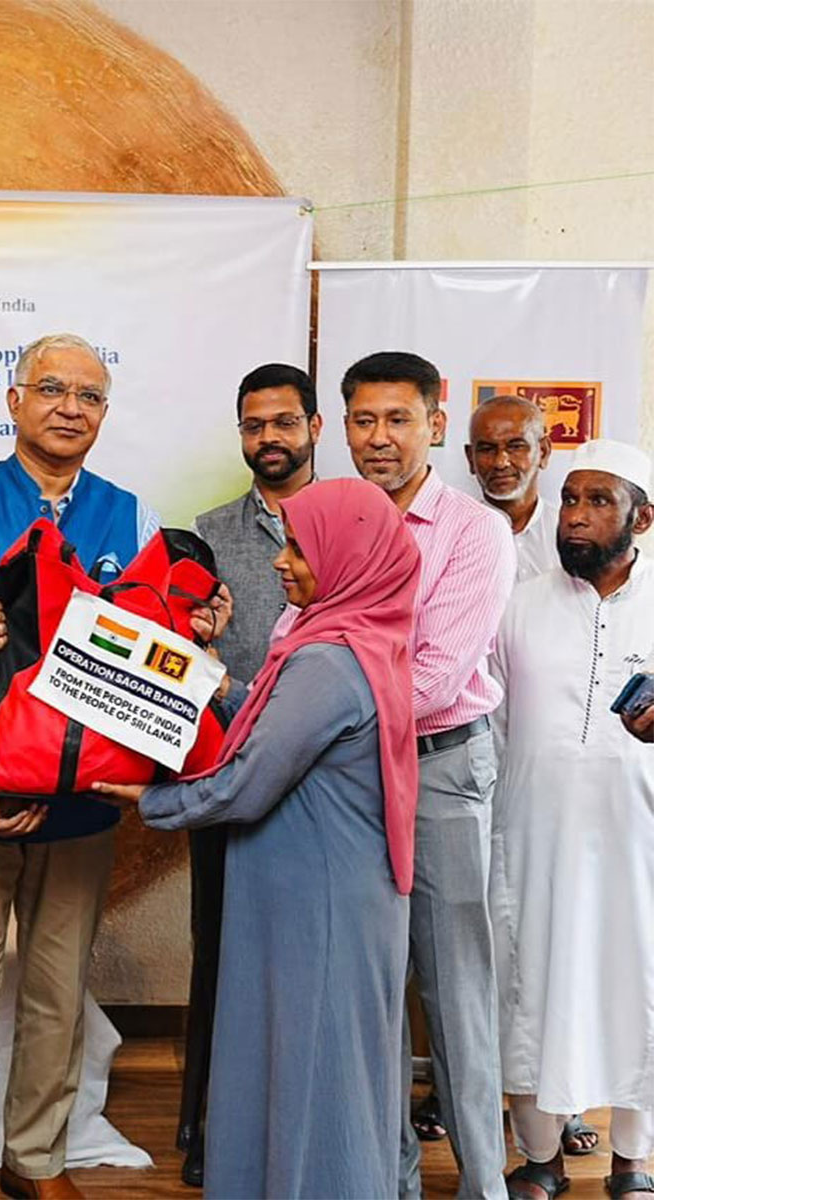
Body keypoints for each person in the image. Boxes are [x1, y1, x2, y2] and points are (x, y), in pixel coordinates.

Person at [96, 477, 421, 1198]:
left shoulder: (325, 662)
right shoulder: (362, 641)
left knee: (313, 1075)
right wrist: (203, 679)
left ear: (348, 559)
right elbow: (277, 722)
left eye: (301, 549)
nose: (282, 560)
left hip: (317, 909)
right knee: (310, 1069)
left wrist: (151, 801)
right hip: (324, 900)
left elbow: (246, 781)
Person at [0, 332, 161, 1200]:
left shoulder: (130, 515)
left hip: (80, 804)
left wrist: (189, 629)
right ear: (14, 401)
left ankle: (36, 1159)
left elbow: (148, 652)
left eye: (88, 395)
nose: (69, 408)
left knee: (57, 992)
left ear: (104, 414)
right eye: (52, 389)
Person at [342, 350, 516, 1200]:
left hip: (441, 769)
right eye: (364, 420)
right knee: (372, 987)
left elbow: (436, 675)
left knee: (455, 989)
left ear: (435, 427)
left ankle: (483, 1183)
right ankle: (393, 1182)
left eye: (398, 419)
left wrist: (319, 713)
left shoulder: (472, 530)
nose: (380, 438)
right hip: (348, 780)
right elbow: (297, 646)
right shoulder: (328, 519)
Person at [488, 440, 656, 1200]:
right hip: (532, 837)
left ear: (642, 518)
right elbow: (486, 723)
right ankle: (541, 1157)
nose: (576, 518)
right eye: (570, 501)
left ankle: (633, 1161)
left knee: (641, 984)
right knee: (532, 988)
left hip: (642, 845)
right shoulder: (519, 604)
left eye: (597, 502)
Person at [178, 362, 319, 1187]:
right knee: (221, 952)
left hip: (326, 784)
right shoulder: (209, 530)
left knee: (303, 962)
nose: (268, 438)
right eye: (253, 425)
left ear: (312, 429)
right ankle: (207, 1129)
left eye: (282, 422)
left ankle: (292, 1123)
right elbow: (187, 652)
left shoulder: (350, 521)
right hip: (227, 777)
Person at [464, 396, 559, 583]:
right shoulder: (452, 534)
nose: (501, 462)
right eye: (487, 449)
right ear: (470, 458)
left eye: (516, 447)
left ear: (543, 452)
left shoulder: (568, 533)